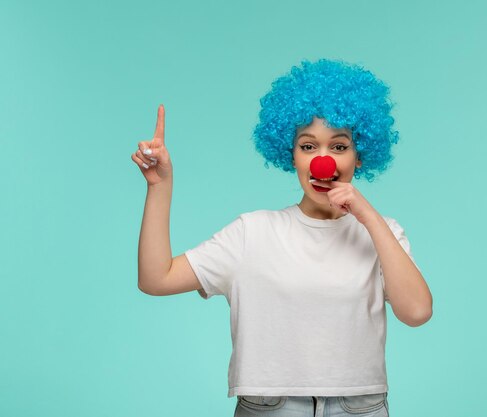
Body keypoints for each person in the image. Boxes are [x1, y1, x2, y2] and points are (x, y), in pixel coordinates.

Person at [133, 58, 433, 417]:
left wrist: (367, 216)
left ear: (360, 155)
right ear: (291, 155)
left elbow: (416, 312)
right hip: (269, 408)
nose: (323, 161)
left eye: (339, 147)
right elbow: (156, 279)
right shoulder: (252, 232)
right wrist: (160, 186)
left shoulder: (383, 233)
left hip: (360, 408)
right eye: (308, 146)